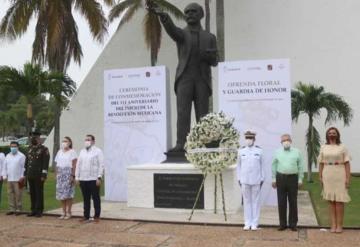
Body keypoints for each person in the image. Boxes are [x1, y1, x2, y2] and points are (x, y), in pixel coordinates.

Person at [150, 2, 218, 152]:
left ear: (201, 14)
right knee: (183, 113)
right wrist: (164, 17)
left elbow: (215, 61)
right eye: (187, 12)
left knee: (203, 114)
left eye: (193, 11)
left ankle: (204, 142)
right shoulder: (182, 34)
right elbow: (172, 30)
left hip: (202, 80)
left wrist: (208, 56)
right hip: (184, 78)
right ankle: (181, 144)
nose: (189, 14)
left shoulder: (210, 37)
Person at [318, 127, 351, 233]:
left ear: (337, 135)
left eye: (334, 133)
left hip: (339, 173)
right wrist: (320, 177)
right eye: (330, 133)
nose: (332, 134)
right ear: (327, 135)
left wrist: (347, 178)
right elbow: (321, 163)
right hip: (327, 173)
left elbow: (347, 163)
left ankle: (340, 226)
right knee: (331, 201)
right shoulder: (323, 147)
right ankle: (333, 225)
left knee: (339, 201)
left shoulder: (342, 147)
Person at [272, 134, 304, 231]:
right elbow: (273, 166)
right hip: (280, 178)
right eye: (284, 140)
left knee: (293, 201)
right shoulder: (277, 152)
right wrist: (274, 179)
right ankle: (282, 224)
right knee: (281, 202)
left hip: (293, 178)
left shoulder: (297, 152)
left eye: (287, 140)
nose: (286, 141)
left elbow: (300, 166)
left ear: (291, 141)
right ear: (281, 142)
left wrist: (300, 179)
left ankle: (293, 224)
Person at [236, 131, 265, 231]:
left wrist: (262, 178)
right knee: (247, 202)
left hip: (256, 179)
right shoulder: (241, 151)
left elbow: (262, 165)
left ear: (254, 139)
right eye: (247, 138)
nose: (248, 140)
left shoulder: (259, 151)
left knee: (255, 202)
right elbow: (238, 166)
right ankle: (247, 223)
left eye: (250, 138)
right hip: (245, 180)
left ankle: (254, 223)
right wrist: (239, 178)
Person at [75, 134, 104, 223]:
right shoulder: (82, 151)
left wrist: (99, 177)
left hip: (93, 178)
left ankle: (97, 216)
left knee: (95, 198)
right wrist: (77, 177)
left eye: (89, 139)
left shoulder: (98, 151)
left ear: (93, 141)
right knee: (85, 198)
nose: (87, 141)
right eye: (86, 139)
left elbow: (101, 165)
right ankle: (86, 215)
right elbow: (78, 165)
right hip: (83, 179)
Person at [25, 131, 50, 217]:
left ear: (39, 139)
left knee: (39, 192)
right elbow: (27, 162)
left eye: (35, 138)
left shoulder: (44, 149)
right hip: (30, 174)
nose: (33, 139)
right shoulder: (29, 148)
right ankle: (33, 210)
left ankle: (39, 210)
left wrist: (44, 175)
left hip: (39, 175)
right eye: (32, 138)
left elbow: (45, 163)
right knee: (32, 192)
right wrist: (26, 173)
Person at [55, 136, 77, 220]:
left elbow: (74, 164)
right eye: (63, 141)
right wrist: (57, 174)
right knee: (61, 194)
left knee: (68, 194)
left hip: (68, 174)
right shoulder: (59, 152)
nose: (64, 142)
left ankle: (69, 212)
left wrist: (73, 175)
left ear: (70, 143)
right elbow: (57, 164)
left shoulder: (72, 152)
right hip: (60, 174)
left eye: (66, 141)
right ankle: (63, 211)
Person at [2, 141, 26, 215]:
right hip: (10, 178)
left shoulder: (22, 156)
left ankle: (19, 209)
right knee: (10, 194)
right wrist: (4, 176)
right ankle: (12, 208)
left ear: (18, 147)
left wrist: (22, 176)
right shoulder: (8, 155)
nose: (13, 148)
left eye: (15, 146)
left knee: (18, 194)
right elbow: (4, 167)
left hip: (18, 178)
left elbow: (24, 167)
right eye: (12, 146)